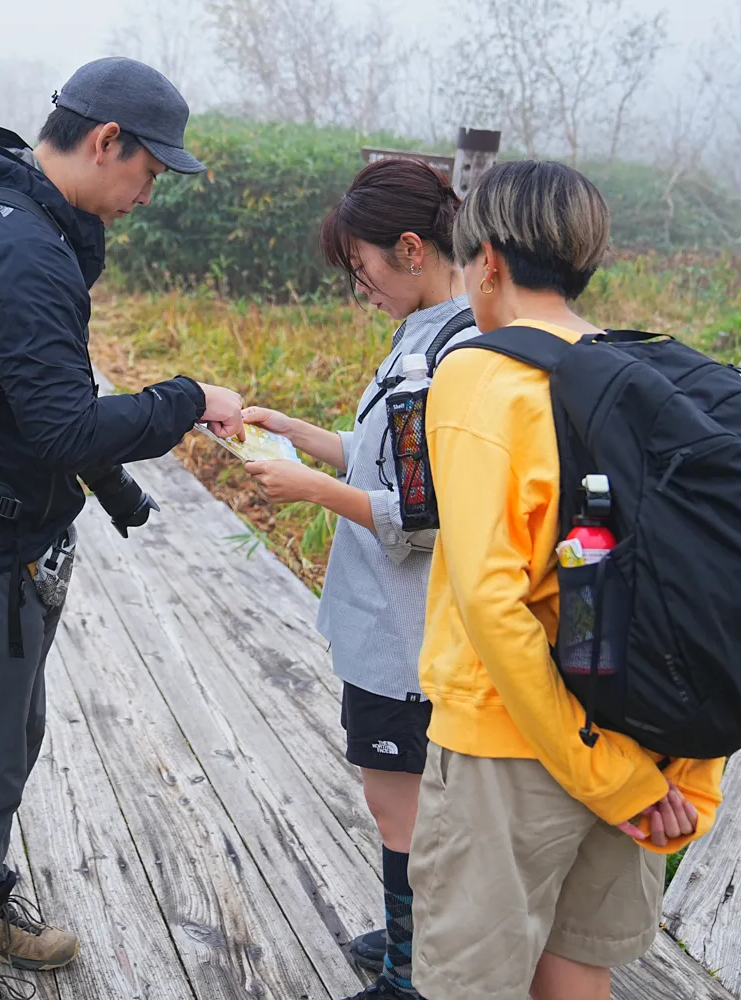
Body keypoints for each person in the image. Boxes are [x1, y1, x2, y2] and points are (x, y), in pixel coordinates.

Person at [0, 57, 245, 1000]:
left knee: (5, 748)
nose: (146, 194)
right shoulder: (24, 250)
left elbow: (29, 403)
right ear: (105, 143)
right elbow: (62, 424)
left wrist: (112, 493)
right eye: (148, 173)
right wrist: (186, 398)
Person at [408, 159, 725, 1000]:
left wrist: (600, 771)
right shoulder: (637, 376)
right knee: (578, 966)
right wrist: (662, 770)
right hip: (637, 725)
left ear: (490, 263)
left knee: (469, 982)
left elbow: (489, 598)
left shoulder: (480, 373)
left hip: (510, 745)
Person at [239, 158, 468, 1000]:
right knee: (399, 802)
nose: (358, 284)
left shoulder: (449, 355)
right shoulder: (428, 336)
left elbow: (424, 515)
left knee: (400, 807)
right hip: (387, 622)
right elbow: (383, 460)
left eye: (361, 265)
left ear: (410, 247)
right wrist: (288, 431)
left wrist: (312, 491)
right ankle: (410, 942)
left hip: (407, 635)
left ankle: (412, 973)